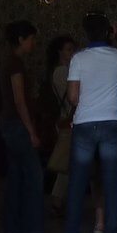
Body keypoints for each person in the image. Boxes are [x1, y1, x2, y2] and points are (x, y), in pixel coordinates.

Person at [60, 12, 117, 233]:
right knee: (112, 183)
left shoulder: (78, 58)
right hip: (113, 124)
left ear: (85, 33)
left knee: (77, 183)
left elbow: (73, 97)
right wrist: (113, 37)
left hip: (85, 125)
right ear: (108, 32)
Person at [0, 19, 44, 233]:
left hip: (8, 123)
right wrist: (32, 130)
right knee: (34, 177)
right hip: (17, 125)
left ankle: (12, 228)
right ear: (21, 40)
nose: (33, 43)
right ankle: (31, 229)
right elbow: (19, 99)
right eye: (31, 39)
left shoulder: (9, 62)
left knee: (15, 176)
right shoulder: (16, 64)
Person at [45, 34, 76, 216]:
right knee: (66, 164)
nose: (72, 53)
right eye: (68, 50)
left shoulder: (55, 70)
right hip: (67, 120)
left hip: (63, 119)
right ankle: (57, 203)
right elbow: (73, 98)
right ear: (60, 52)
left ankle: (58, 203)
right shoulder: (63, 71)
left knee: (67, 164)